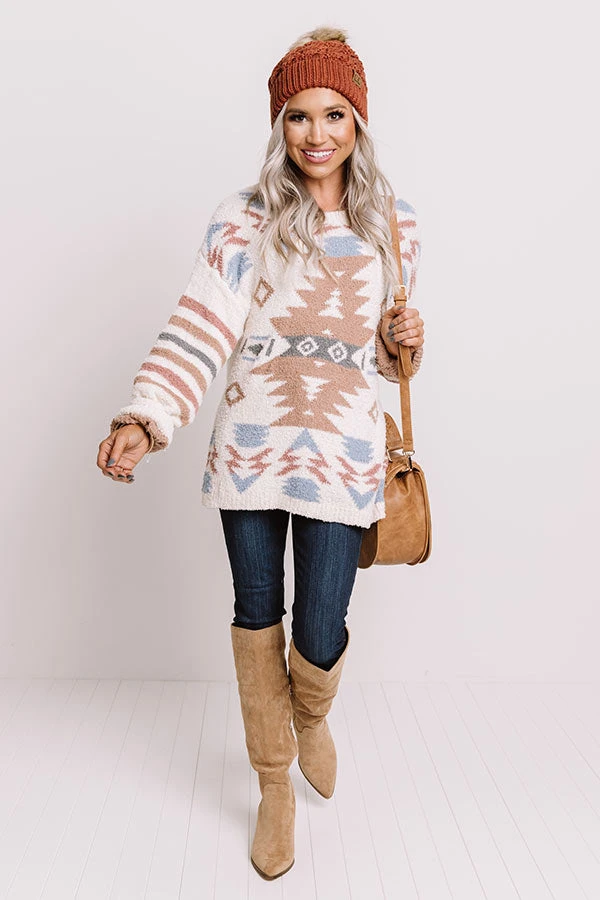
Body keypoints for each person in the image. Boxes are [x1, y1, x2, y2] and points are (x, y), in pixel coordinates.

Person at [96, 25, 425, 881]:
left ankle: (310, 715)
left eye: (334, 114)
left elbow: (383, 364)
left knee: (319, 625)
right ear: (279, 124)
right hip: (251, 452)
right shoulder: (243, 219)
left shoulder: (394, 226)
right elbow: (201, 324)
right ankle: (274, 783)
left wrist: (404, 345)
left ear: (358, 121)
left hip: (343, 457)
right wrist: (147, 417)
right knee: (256, 614)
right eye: (298, 116)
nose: (317, 134)